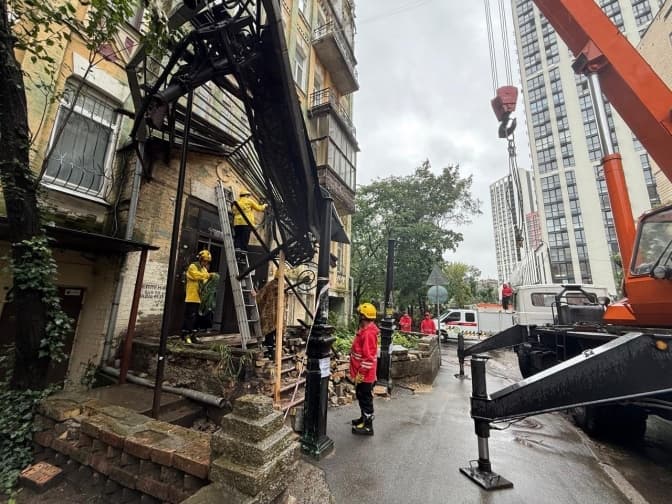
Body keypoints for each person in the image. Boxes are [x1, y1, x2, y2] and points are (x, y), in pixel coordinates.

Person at [350, 303, 379, 436]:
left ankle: (368, 426)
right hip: (362, 373)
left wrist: (361, 373)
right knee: (361, 397)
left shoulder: (368, 334)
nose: (358, 317)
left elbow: (368, 358)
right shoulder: (364, 330)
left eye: (359, 315)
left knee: (365, 399)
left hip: (365, 375)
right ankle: (363, 418)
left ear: (363, 317)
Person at [181, 250, 214, 344]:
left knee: (198, 318)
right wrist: (207, 275)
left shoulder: (204, 269)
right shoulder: (193, 266)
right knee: (190, 317)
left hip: (200, 298)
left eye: (207, 262)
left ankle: (193, 335)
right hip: (192, 297)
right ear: (200, 259)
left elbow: (205, 281)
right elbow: (195, 276)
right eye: (204, 261)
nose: (205, 263)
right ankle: (185, 335)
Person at [255, 270, 284, 358]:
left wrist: (255, 294)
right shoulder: (284, 286)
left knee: (269, 332)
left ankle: (270, 351)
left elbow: (260, 296)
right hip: (280, 314)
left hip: (270, 313)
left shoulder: (270, 285)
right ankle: (277, 352)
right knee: (277, 333)